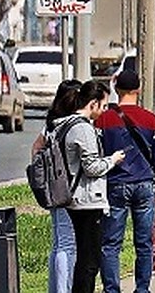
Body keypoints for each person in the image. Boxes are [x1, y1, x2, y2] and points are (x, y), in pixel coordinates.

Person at [96, 70, 155, 293]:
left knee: (110, 244)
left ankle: (112, 290)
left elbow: (98, 154)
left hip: (115, 184)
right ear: (138, 90)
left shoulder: (103, 119)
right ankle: (142, 289)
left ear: (116, 89)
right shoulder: (151, 120)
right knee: (144, 243)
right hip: (145, 185)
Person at [62, 80, 125, 293]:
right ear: (93, 103)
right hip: (86, 201)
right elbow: (91, 167)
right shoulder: (82, 128)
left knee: (85, 258)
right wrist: (112, 160)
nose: (105, 110)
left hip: (77, 198)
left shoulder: (66, 123)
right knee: (89, 262)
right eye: (104, 105)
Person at [30, 79, 83, 293]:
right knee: (67, 243)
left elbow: (36, 149)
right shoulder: (72, 124)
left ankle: (55, 288)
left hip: (53, 187)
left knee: (59, 241)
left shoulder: (51, 124)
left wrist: (41, 179)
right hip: (67, 189)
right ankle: (63, 290)